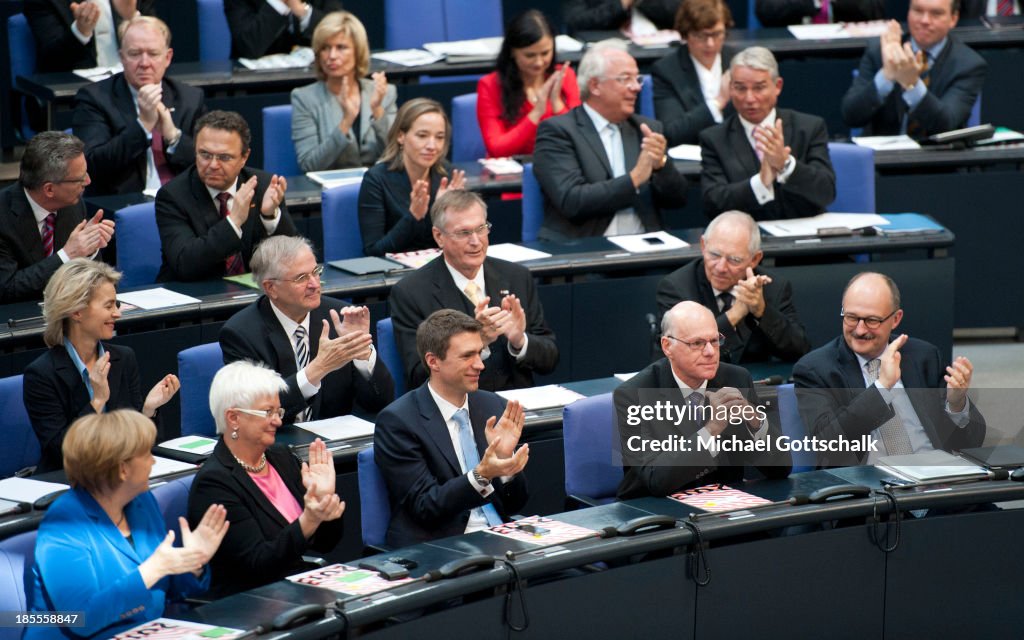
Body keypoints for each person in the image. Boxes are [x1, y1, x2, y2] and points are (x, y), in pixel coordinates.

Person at [25, 410, 228, 640]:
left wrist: (193, 562)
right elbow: (81, 619)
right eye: (146, 454)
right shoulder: (65, 524)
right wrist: (153, 569)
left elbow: (173, 591)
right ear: (123, 469)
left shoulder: (142, 503)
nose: (153, 461)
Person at [792, 272, 986, 468]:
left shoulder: (923, 356)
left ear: (895, 319)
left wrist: (956, 405)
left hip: (934, 476)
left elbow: (970, 443)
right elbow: (827, 445)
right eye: (851, 317)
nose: (859, 330)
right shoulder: (815, 369)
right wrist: (881, 388)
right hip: (871, 487)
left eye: (872, 320)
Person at [188, 360, 345, 597]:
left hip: (299, 586)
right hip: (253, 602)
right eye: (267, 412)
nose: (278, 420)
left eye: (278, 411)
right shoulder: (214, 484)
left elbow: (326, 544)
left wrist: (324, 501)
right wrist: (309, 520)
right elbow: (258, 565)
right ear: (233, 418)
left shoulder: (281, 457)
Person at [374, 309, 530, 548]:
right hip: (440, 544)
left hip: (499, 535)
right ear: (433, 361)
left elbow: (515, 504)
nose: (480, 365)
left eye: (479, 353)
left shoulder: (493, 405)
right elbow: (426, 506)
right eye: (467, 356)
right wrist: (482, 475)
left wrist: (505, 464)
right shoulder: (398, 422)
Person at [616, 301, 790, 500]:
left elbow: (781, 469)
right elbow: (657, 480)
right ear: (667, 346)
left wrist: (756, 423)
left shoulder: (736, 379)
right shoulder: (634, 395)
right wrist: (712, 429)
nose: (710, 352)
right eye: (697, 343)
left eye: (715, 341)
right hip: (656, 513)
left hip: (724, 508)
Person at [389, 190, 558, 392]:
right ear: (439, 236)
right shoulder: (411, 293)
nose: (476, 241)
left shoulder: (516, 276)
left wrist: (519, 340)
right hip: (458, 409)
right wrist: (481, 341)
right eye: (464, 233)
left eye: (481, 229)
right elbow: (419, 376)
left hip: (516, 406)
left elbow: (550, 359)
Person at [24, 259, 180, 473]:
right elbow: (61, 452)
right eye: (108, 306)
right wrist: (97, 401)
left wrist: (148, 410)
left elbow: (137, 444)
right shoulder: (42, 374)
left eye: (116, 305)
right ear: (76, 311)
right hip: (70, 482)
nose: (118, 313)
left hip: (119, 475)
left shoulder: (123, 359)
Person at [219, 236, 394, 423]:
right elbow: (257, 414)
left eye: (316, 272)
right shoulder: (241, 334)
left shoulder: (340, 318)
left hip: (334, 443)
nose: (315, 284)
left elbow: (381, 402)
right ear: (271, 288)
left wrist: (361, 352)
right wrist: (317, 369)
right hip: (277, 444)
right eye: (301, 278)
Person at [533, 41, 689, 241]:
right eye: (625, 79)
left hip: (645, 252)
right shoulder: (558, 132)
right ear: (595, 86)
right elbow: (572, 201)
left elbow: (677, 200)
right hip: (584, 251)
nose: (636, 87)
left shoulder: (647, 129)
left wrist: (662, 166)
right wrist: (634, 179)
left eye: (637, 79)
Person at [155, 110, 297, 281]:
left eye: (224, 157)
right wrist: (234, 221)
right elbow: (185, 263)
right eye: (205, 154)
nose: (213, 165)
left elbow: (292, 258)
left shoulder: (263, 186)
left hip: (252, 295)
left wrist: (269, 216)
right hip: (196, 295)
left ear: (244, 157)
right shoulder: (173, 196)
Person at [73, 15, 207, 196]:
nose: (144, 63)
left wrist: (173, 137)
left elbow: (207, 164)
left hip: (181, 202)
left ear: (167, 58)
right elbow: (92, 165)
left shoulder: (190, 98)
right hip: (125, 202)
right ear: (122, 57)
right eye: (135, 54)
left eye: (153, 54)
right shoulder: (95, 98)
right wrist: (143, 125)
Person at [700, 46, 835, 220]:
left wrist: (786, 165)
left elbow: (826, 192)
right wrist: (760, 183)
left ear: (777, 86)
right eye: (740, 88)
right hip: (746, 240)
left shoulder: (809, 128)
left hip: (804, 236)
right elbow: (713, 203)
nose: (749, 98)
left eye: (759, 88)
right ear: (730, 88)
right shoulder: (714, 139)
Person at [657, 211, 810, 364]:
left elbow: (800, 350)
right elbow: (679, 359)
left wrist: (762, 311)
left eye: (734, 260)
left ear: (755, 259)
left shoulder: (773, 286)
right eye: (715, 255)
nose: (721, 267)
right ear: (703, 246)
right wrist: (735, 314)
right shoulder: (677, 288)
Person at [840, 0, 987, 139]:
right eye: (917, 10)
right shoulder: (879, 51)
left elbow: (946, 125)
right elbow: (850, 116)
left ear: (953, 19)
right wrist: (886, 76)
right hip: (884, 160)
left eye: (936, 14)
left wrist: (912, 85)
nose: (924, 20)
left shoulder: (968, 64)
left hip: (940, 161)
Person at [0, 132, 115, 303]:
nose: (88, 181)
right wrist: (67, 255)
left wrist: (90, 249)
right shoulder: (3, 216)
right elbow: (7, 287)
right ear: (49, 190)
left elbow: (89, 280)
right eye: (80, 178)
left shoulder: (73, 204)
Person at [357, 98, 466, 256]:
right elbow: (374, 251)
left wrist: (447, 213)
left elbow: (457, 243)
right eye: (422, 136)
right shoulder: (376, 180)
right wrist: (413, 217)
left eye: (439, 137)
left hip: (438, 269)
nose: (432, 146)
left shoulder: (448, 175)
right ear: (401, 136)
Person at [290, 11, 396, 172]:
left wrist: (378, 111)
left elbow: (398, 156)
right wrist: (346, 122)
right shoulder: (304, 99)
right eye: (325, 48)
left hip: (377, 188)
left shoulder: (384, 93)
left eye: (341, 47)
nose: (331, 56)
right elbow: (309, 165)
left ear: (358, 51)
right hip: (330, 190)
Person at [476, 10, 580, 158]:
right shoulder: (490, 85)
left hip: (558, 165)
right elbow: (497, 149)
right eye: (529, 55)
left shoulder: (565, 76)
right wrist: (537, 112)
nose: (538, 62)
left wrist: (557, 104)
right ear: (512, 51)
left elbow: (579, 139)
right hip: (512, 172)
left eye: (545, 53)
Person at [651, 0, 736, 146]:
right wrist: (718, 103)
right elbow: (672, 132)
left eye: (717, 34)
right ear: (686, 34)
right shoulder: (667, 70)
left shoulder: (737, 61)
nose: (710, 43)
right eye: (701, 36)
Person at [24, 0, 155, 73]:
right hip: (76, 95)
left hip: (132, 85)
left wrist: (131, 17)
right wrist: (80, 32)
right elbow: (52, 59)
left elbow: (157, 45)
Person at [224, 0, 344, 59]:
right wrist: (279, 4)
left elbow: (337, 34)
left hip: (315, 79)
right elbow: (249, 47)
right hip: (256, 87)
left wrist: (302, 11)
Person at [564, 0, 683, 33]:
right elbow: (576, 20)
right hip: (606, 51)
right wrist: (622, 3)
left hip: (660, 52)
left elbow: (683, 16)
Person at [755, 0, 883, 28]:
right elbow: (766, 10)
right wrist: (815, 3)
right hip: (793, 54)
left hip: (847, 51)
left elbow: (876, 9)